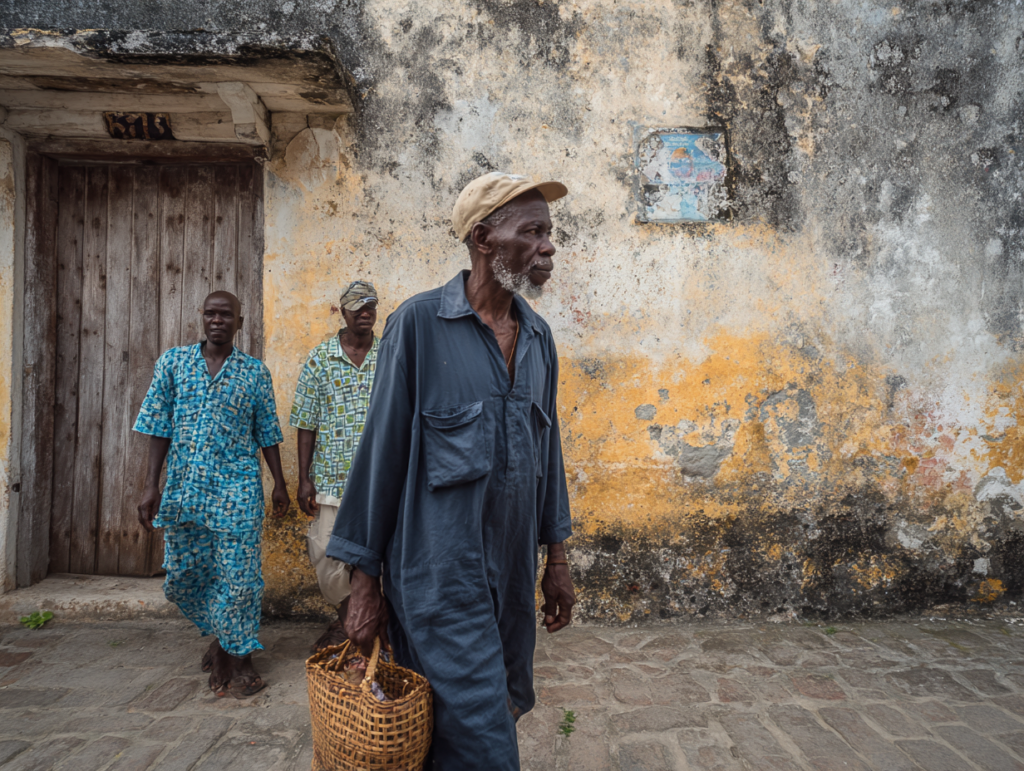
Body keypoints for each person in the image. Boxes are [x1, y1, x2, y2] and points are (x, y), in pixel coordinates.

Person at [327, 172, 577, 769]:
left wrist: (558, 561)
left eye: (550, 233)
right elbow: (380, 454)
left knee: (488, 713)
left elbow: (549, 456)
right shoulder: (416, 326)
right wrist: (364, 585)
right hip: (441, 583)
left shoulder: (539, 339)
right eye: (533, 232)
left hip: (512, 580)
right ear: (485, 238)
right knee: (486, 744)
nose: (549, 246)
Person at [134, 291, 290, 698]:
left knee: (239, 579)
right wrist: (152, 485)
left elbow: (268, 432)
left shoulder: (254, 373)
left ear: (240, 323)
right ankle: (222, 634)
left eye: (226, 315)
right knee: (187, 573)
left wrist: (279, 483)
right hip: (186, 492)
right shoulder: (173, 364)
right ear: (202, 318)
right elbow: (158, 426)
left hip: (237, 491)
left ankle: (238, 655)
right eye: (210, 314)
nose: (217, 320)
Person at [290, 281, 380, 651]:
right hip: (330, 478)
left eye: (370, 306)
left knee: (379, 558)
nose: (365, 312)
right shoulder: (320, 359)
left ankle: (369, 626)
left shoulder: (389, 355)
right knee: (327, 556)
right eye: (357, 306)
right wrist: (304, 478)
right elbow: (305, 422)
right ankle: (347, 615)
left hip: (380, 480)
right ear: (341, 312)